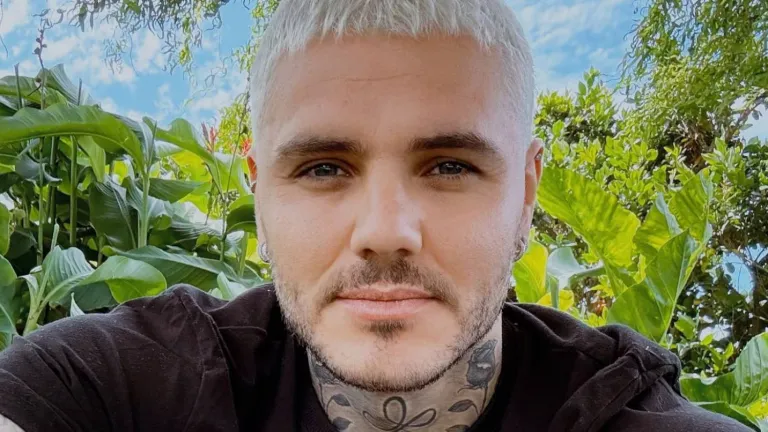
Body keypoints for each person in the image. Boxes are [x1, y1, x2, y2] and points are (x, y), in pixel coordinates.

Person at [0, 1, 752, 431]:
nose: (386, 230)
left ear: (527, 193)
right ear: (259, 193)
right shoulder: (126, 387)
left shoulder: (621, 416)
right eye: (324, 168)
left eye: (450, 166)